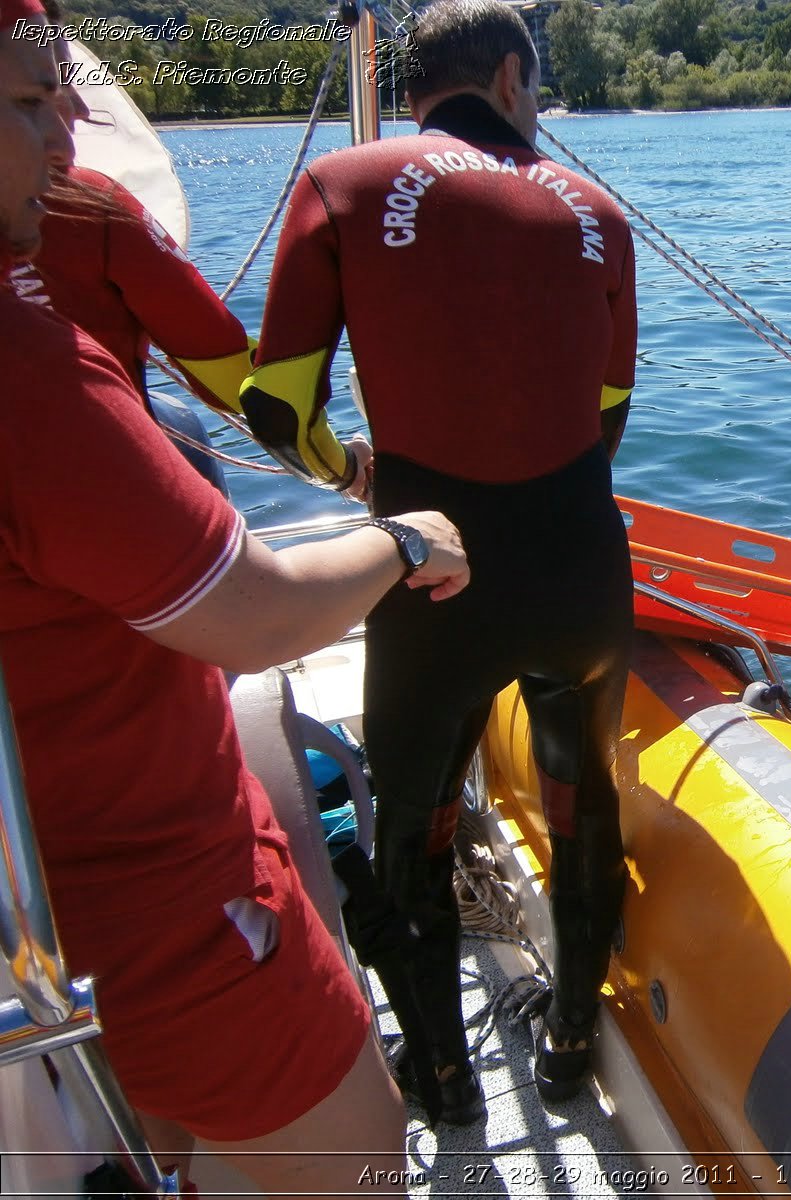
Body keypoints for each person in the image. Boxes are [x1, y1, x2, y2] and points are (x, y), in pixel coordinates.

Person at [0, 8, 470, 1192]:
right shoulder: (45, 338)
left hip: (47, 857)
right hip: (146, 881)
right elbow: (247, 401)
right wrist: (392, 526)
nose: (64, 132)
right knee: (364, 1166)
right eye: (24, 102)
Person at [242, 0, 638, 1119]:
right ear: (510, 78)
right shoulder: (601, 212)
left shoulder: (342, 184)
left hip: (432, 577)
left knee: (414, 827)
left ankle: (447, 1076)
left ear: (417, 88)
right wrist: (543, 503)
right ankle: (568, 1042)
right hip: (578, 567)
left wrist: (359, 477)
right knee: (584, 808)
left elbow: (278, 407)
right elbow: (608, 410)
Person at [9, 0, 257, 494]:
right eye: (53, 85)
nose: (81, 106)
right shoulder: (93, 204)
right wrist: (344, 466)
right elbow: (233, 375)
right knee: (181, 427)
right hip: (98, 492)